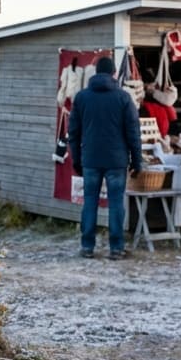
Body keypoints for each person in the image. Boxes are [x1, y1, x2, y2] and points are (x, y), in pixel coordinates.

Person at [69, 55, 143, 260]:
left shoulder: (82, 97)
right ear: (114, 73)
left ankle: (87, 246)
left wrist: (76, 159)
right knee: (116, 203)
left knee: (90, 201)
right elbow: (133, 133)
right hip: (117, 160)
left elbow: (73, 133)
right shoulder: (123, 98)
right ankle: (116, 248)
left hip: (90, 159)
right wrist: (137, 161)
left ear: (95, 73)